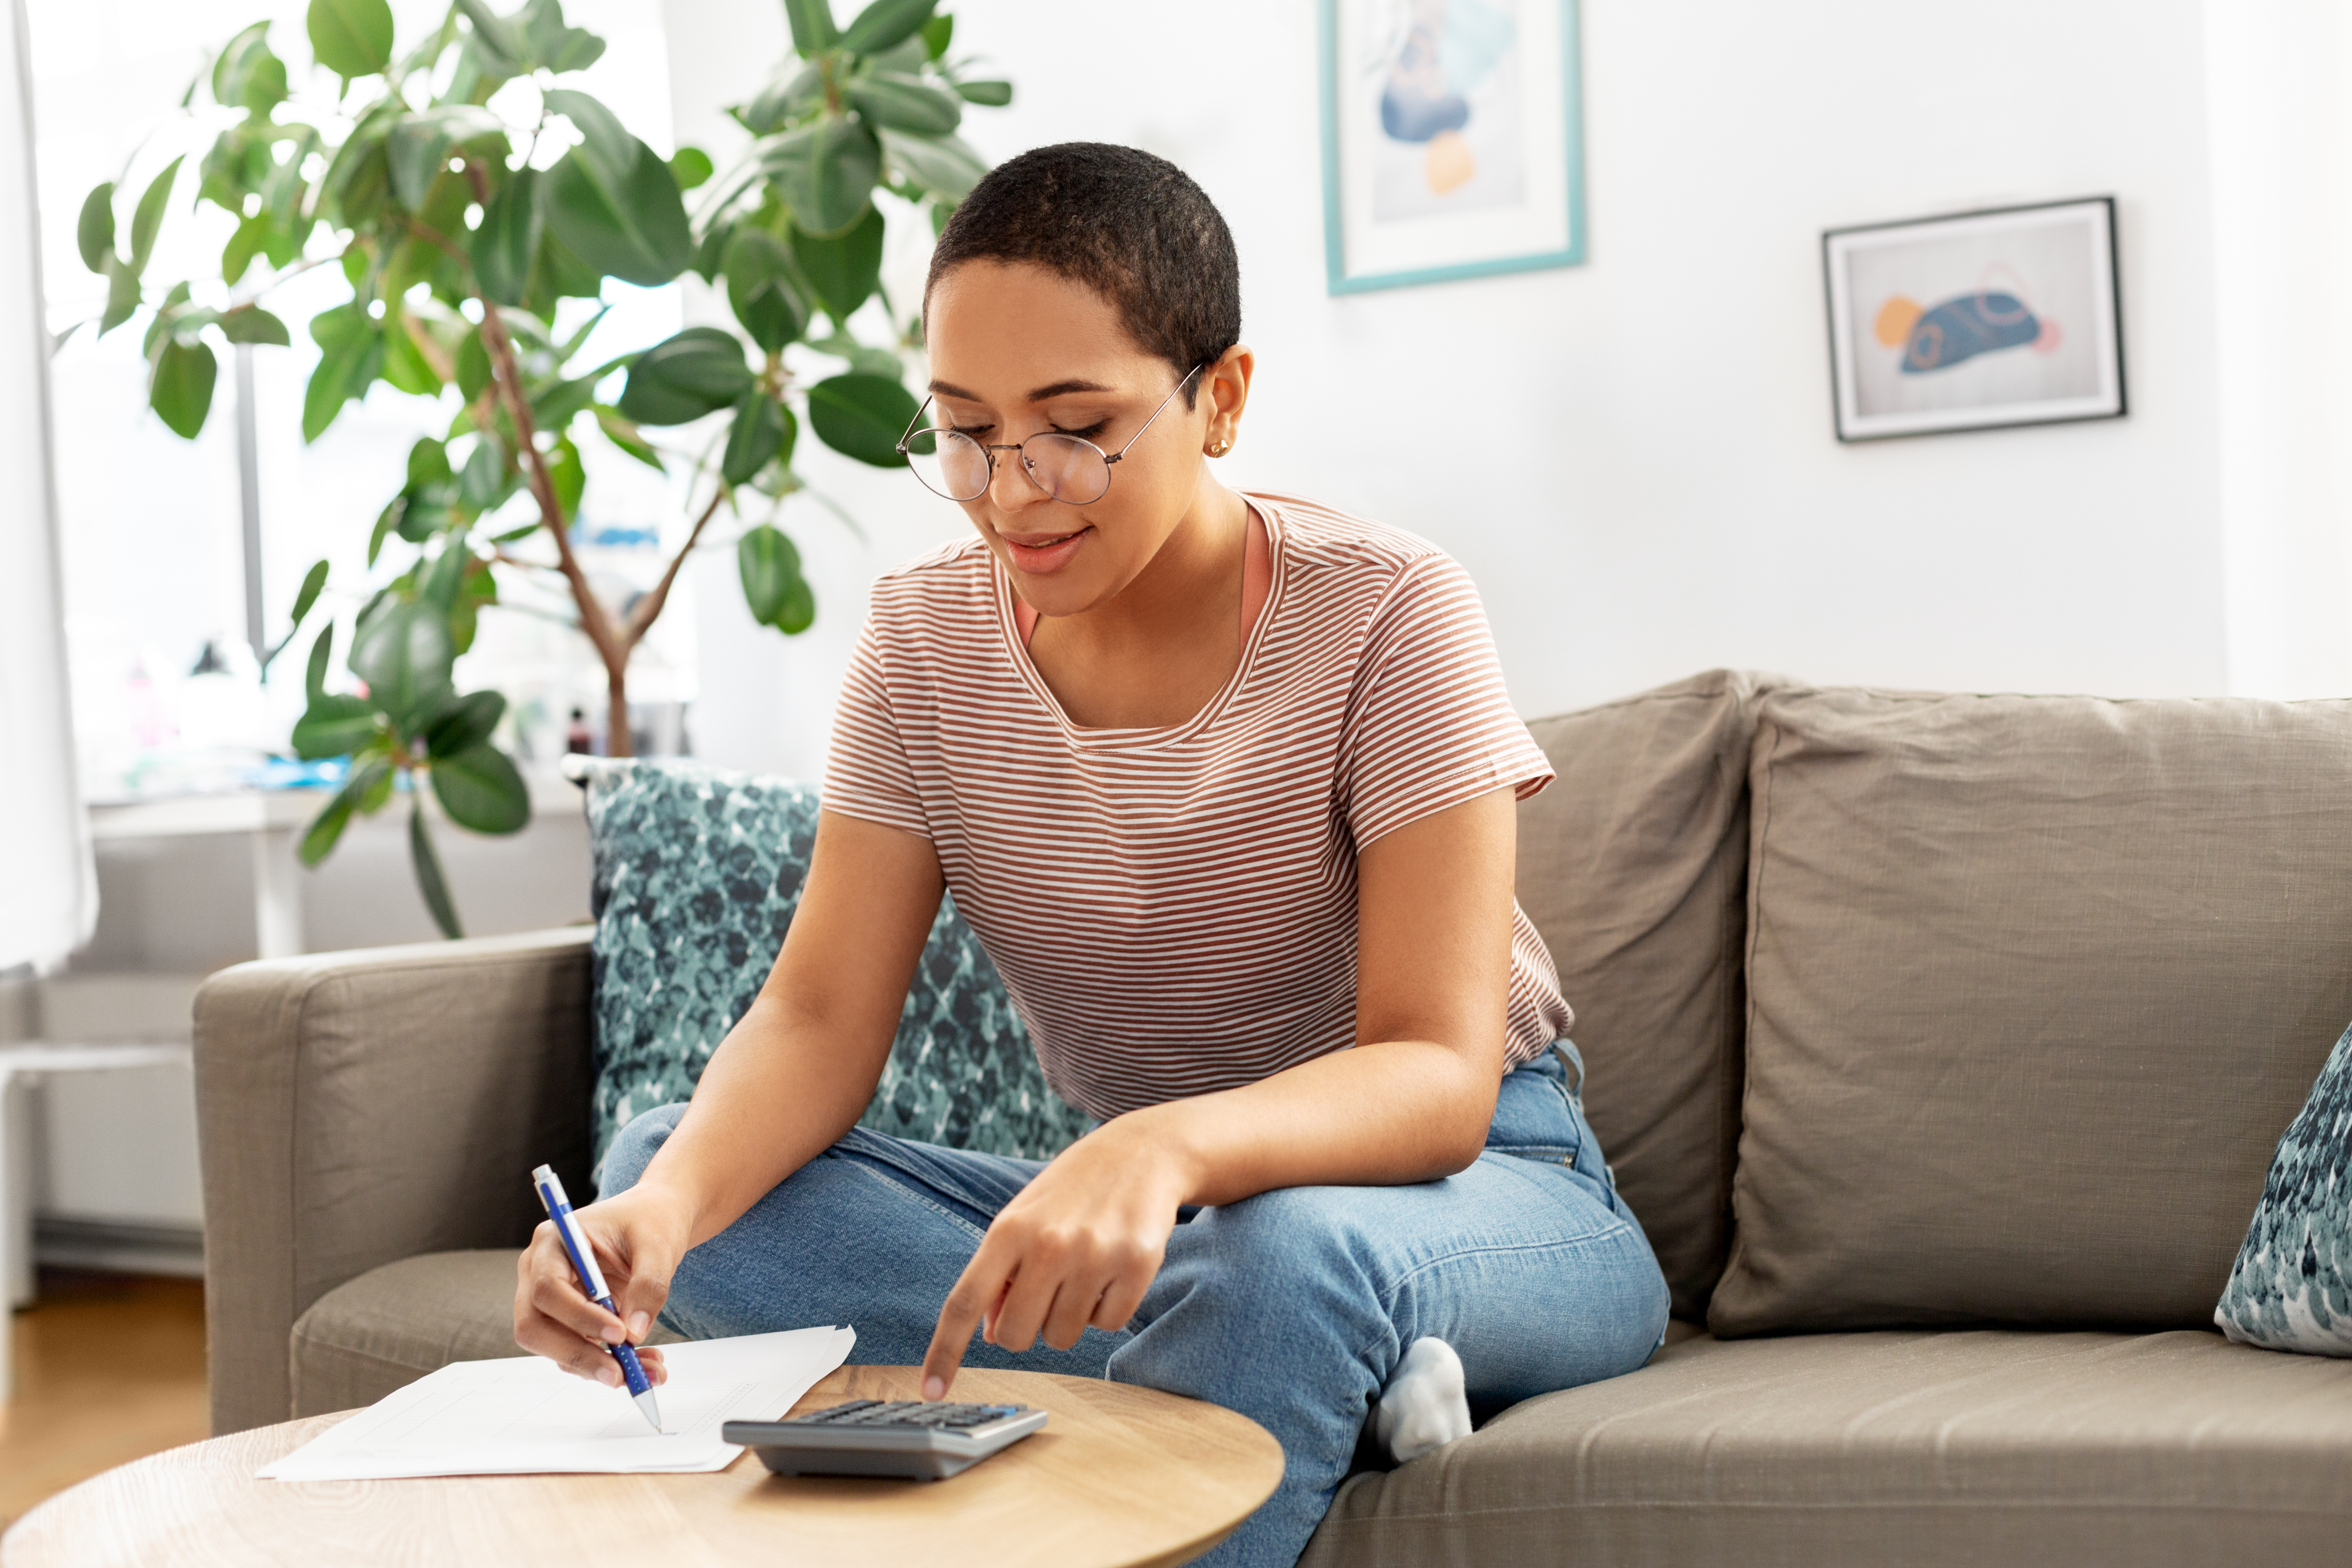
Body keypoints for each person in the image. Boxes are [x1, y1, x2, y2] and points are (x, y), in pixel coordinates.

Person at [513, 142, 1668, 1566]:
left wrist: (1163, 1142)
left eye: (1075, 427)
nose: (1013, 492)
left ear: (1221, 398)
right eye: (963, 431)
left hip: (1482, 1190)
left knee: (1285, 1258)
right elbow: (816, 1018)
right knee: (671, 1170)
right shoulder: (924, 646)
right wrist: (662, 1215)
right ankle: (1291, 1374)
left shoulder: (1391, 612)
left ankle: (1289, 1339)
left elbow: (1437, 1077)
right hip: (1184, 1226)